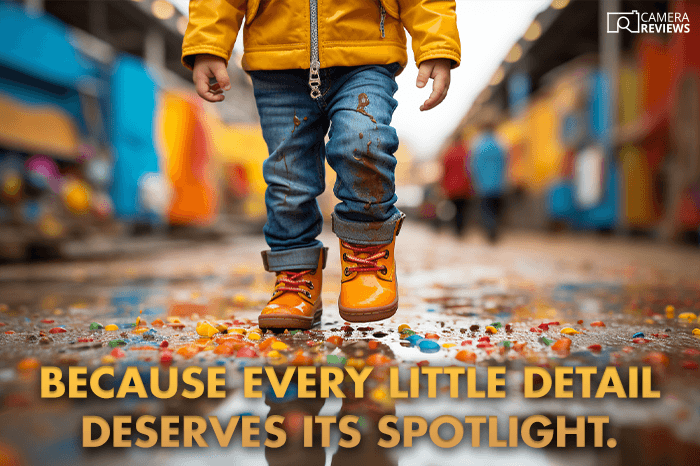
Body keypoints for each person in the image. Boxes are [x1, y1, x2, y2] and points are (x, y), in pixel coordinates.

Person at [182, 0, 460, 329]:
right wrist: (208, 43)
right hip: (276, 61)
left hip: (366, 54)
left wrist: (437, 44)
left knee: (363, 141)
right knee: (288, 178)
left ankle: (367, 256)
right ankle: (296, 277)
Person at [470, 120, 507, 243]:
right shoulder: (500, 143)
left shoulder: (479, 145)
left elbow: (474, 166)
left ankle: (490, 230)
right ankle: (494, 230)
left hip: (483, 185)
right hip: (498, 184)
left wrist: (474, 180)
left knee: (486, 209)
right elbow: (505, 163)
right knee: (496, 209)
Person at [440, 134, 472, 236]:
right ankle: (461, 229)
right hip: (464, 186)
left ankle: (457, 230)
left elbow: (444, 171)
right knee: (463, 210)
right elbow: (470, 169)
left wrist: (443, 186)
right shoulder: (466, 152)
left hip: (452, 187)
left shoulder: (448, 153)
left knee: (455, 210)